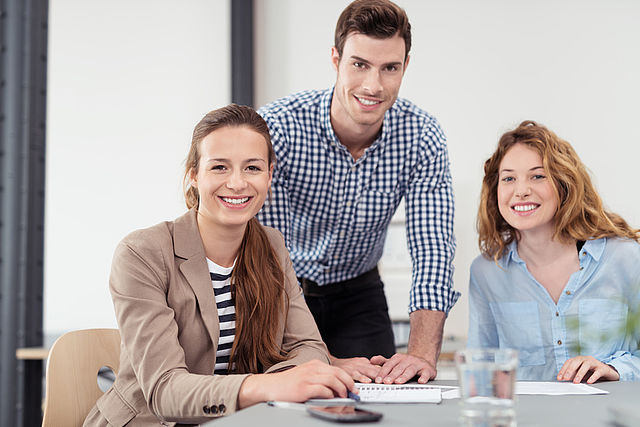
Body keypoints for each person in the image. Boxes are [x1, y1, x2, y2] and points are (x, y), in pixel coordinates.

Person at [84, 105, 355, 426]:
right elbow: (164, 391)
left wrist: (287, 381)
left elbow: (307, 345)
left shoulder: (271, 245)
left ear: (270, 175)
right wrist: (268, 385)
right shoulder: (142, 252)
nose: (238, 183)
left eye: (252, 168)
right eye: (220, 167)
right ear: (194, 175)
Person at [257, 0, 459, 385]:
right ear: (336, 59)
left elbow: (433, 247)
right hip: (285, 287)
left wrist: (420, 355)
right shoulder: (278, 128)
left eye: (390, 68)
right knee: (296, 396)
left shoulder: (422, 136)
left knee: (386, 394)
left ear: (405, 67)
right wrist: (323, 360)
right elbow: (268, 257)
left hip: (359, 289)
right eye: (360, 64)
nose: (374, 86)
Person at [469, 120, 640, 383]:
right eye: (508, 179)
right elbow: (480, 370)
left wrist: (616, 369)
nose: (522, 191)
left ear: (564, 184)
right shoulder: (486, 272)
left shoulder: (625, 258)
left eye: (538, 176)